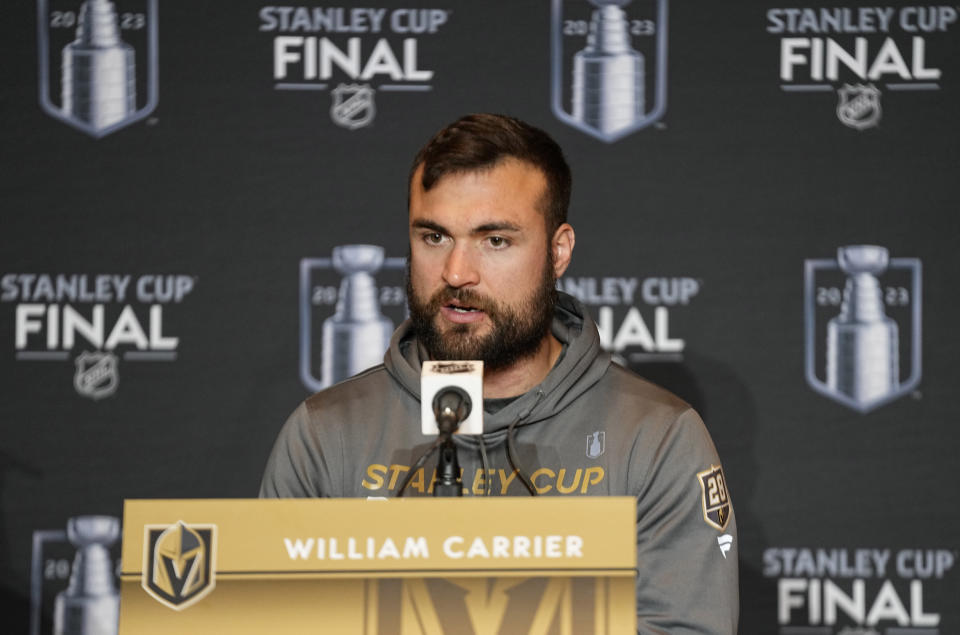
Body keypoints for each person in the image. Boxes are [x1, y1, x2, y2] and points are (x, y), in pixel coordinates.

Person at [260, 113, 739, 632]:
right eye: (434, 237)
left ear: (558, 252)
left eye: (495, 241)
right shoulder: (326, 434)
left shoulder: (656, 437)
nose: (457, 273)